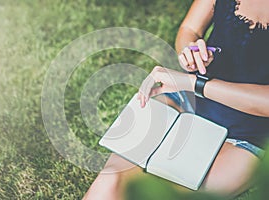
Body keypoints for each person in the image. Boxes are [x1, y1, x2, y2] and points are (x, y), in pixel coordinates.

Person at [83, 0, 269, 199]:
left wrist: (194, 83)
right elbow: (190, 28)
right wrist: (191, 52)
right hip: (185, 100)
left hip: (249, 136)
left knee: (172, 193)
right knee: (110, 180)